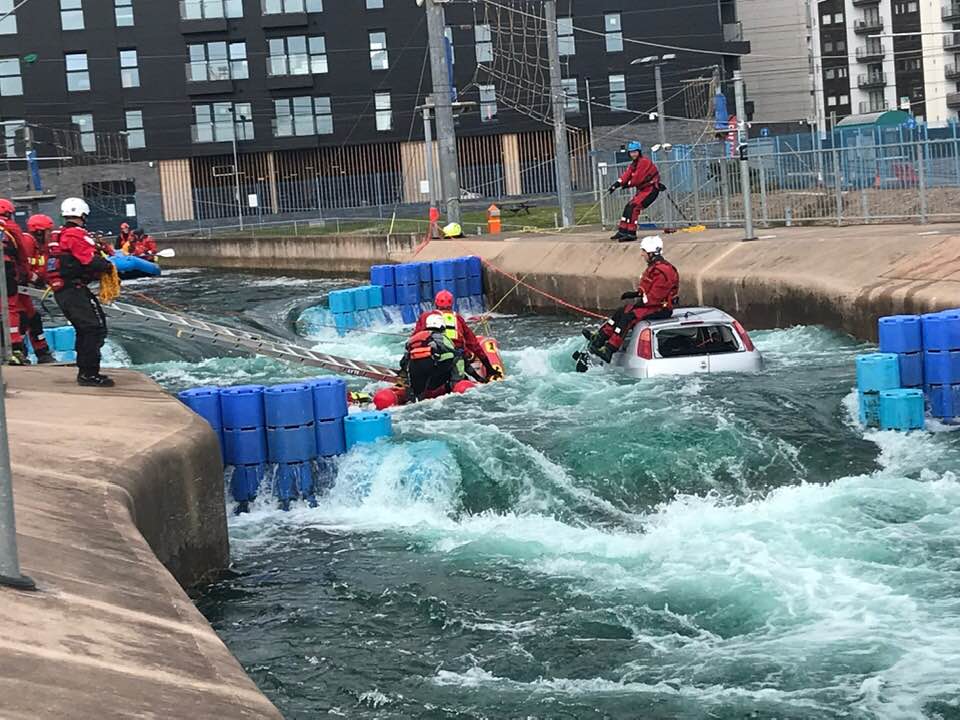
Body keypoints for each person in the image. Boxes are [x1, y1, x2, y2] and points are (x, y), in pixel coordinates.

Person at [47, 197, 115, 387]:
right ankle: (88, 374)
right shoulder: (75, 235)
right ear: (83, 214)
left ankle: (86, 371)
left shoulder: (60, 235)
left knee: (85, 329)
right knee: (93, 329)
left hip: (67, 290)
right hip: (73, 290)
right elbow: (89, 260)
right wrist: (108, 267)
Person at [582, 236, 680, 363]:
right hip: (654, 305)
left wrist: (639, 303)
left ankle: (610, 349)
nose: (642, 254)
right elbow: (649, 289)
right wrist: (635, 294)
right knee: (621, 311)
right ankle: (600, 337)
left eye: (643, 251)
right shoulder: (656, 268)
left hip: (661, 308)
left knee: (629, 316)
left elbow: (655, 297)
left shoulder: (663, 271)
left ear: (651, 252)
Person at [414, 289, 501, 382]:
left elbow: (415, 339)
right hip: (455, 358)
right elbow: (474, 345)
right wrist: (489, 368)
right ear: (452, 304)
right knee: (462, 358)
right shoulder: (457, 318)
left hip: (430, 358)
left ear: (436, 304)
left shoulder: (425, 316)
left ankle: (405, 375)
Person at [14, 213, 58, 364]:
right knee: (23, 319)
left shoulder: (43, 248)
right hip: (16, 290)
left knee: (34, 319)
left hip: (24, 290)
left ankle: (42, 352)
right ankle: (20, 354)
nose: (50, 234)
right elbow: (20, 266)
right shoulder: (26, 242)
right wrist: (34, 278)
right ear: (39, 232)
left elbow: (43, 269)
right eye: (48, 231)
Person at [0, 198, 34, 365]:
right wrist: (26, 275)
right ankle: (14, 348)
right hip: (6, 269)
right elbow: (21, 252)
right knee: (10, 308)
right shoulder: (10, 227)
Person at [608, 141, 664, 243]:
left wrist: (627, 185)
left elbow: (637, 179)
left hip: (651, 190)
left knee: (634, 207)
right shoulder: (633, 165)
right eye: (631, 152)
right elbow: (626, 175)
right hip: (643, 190)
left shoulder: (644, 162)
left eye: (635, 152)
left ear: (639, 152)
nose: (633, 154)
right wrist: (615, 185)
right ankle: (622, 230)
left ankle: (631, 233)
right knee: (628, 207)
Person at [400, 312, 462, 401]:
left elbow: (403, 361)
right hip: (434, 373)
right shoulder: (441, 337)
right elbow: (454, 352)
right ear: (441, 326)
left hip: (416, 374)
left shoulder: (413, 339)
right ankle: (456, 382)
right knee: (457, 356)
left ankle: (413, 394)